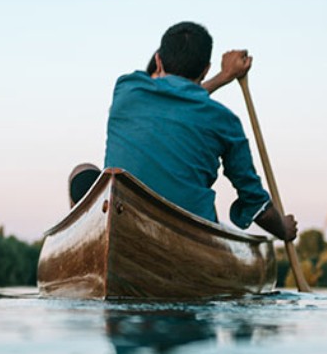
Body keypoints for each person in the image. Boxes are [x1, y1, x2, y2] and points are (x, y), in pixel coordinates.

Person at [71, 21, 297, 242]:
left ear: (158, 61)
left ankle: (85, 244)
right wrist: (283, 230)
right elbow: (257, 206)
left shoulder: (127, 88)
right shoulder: (225, 121)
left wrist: (223, 77)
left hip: (126, 227)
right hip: (191, 236)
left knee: (81, 171)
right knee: (85, 173)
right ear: (206, 69)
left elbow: (173, 100)